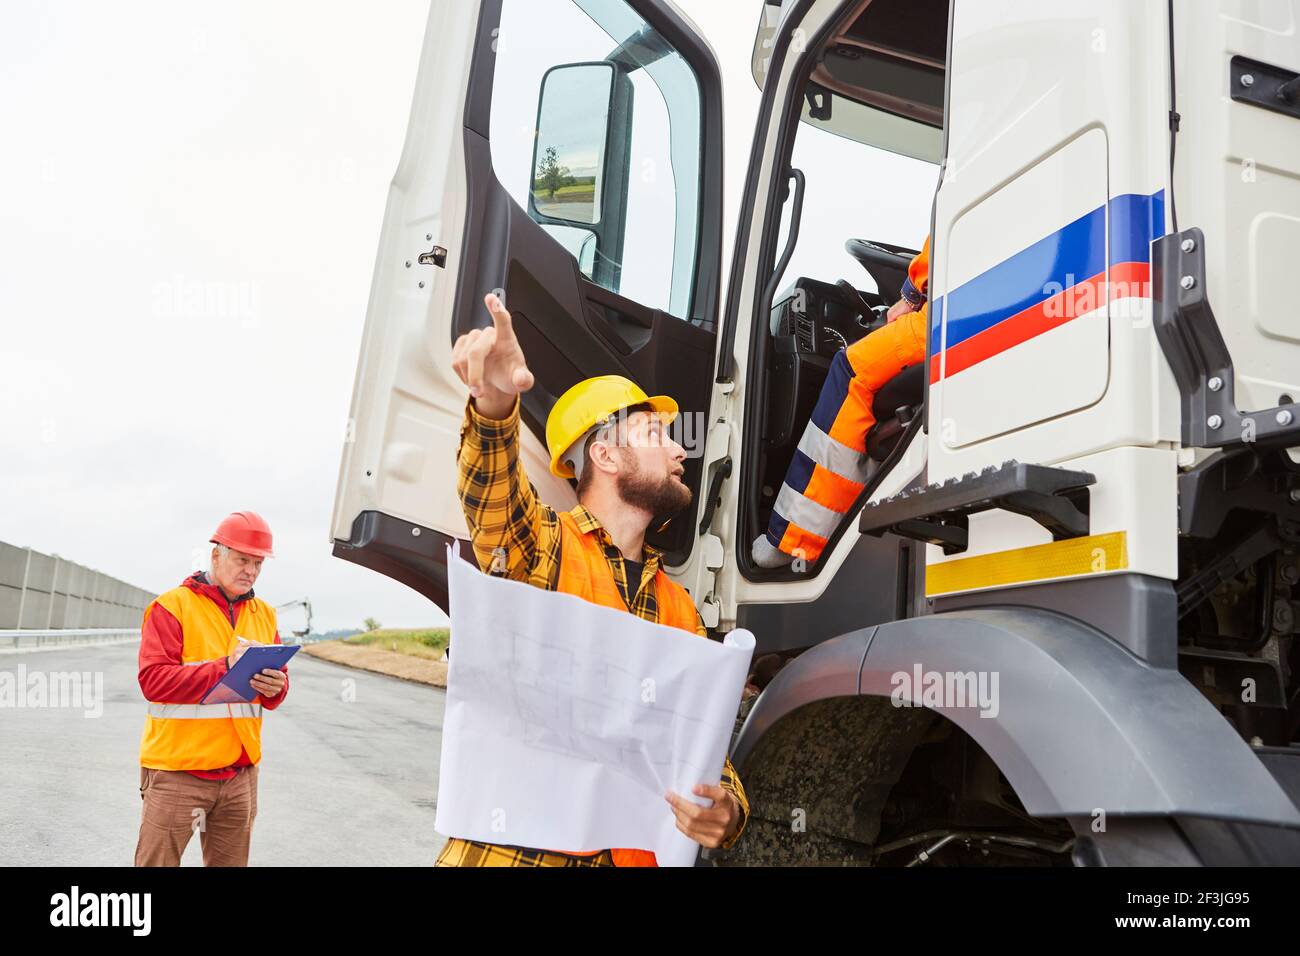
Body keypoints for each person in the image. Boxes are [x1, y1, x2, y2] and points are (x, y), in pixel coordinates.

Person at [435, 292, 749, 867]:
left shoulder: (679, 608)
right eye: (656, 434)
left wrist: (729, 809)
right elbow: (493, 501)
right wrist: (496, 401)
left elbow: (701, 742)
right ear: (604, 456)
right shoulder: (543, 549)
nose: (681, 450)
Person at [754, 237, 931, 568]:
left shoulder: (955, 183)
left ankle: (797, 540)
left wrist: (908, 296)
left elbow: (935, 254)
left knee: (849, 370)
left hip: (943, 319)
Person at [134, 511, 289, 867]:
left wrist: (277, 687)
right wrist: (224, 668)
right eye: (241, 560)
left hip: (239, 776)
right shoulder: (172, 607)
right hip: (178, 773)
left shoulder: (264, 614)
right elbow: (153, 680)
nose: (250, 570)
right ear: (216, 556)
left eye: (257, 563)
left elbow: (274, 691)